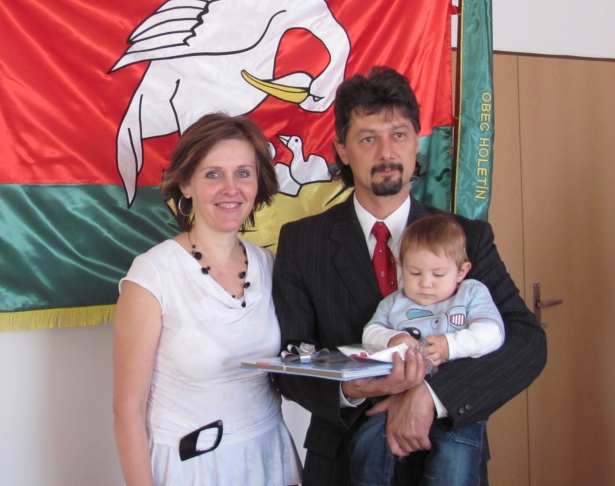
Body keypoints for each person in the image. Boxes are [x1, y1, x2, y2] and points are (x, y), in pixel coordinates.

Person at [271, 66, 547, 485]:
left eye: (399, 134)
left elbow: (526, 341)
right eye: (368, 138)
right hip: (343, 460)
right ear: (342, 149)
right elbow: (289, 360)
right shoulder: (302, 241)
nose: (387, 152)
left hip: (451, 453)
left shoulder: (467, 237)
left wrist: (433, 395)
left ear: (417, 141)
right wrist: (347, 390)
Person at [113, 112, 303, 486]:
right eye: (213, 174)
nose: (231, 188)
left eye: (243, 173)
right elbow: (127, 410)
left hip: (269, 457)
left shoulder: (270, 264)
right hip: (192, 467)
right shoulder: (153, 274)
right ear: (185, 184)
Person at [350, 213, 505, 486]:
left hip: (458, 401)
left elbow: (492, 333)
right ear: (401, 266)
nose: (425, 283)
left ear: (461, 271)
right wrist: (393, 338)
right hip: (399, 397)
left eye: (438, 274)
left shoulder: (470, 293)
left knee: (454, 462)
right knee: (366, 442)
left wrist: (450, 345)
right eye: (415, 273)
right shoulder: (394, 302)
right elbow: (370, 332)